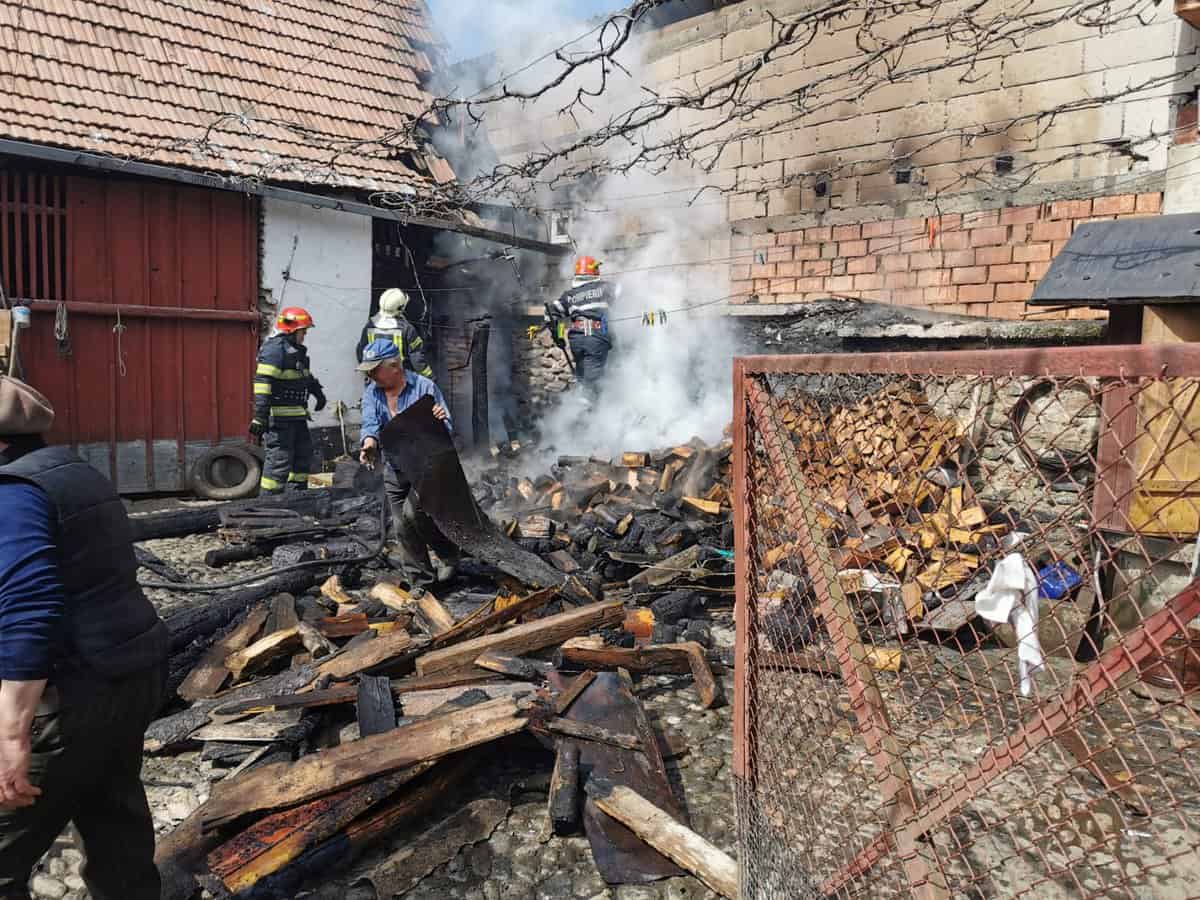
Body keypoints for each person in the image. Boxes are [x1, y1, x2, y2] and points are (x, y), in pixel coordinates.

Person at [0, 376, 168, 900]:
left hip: (70, 693)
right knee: (114, 825)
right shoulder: (71, 472)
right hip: (128, 672)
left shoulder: (12, 493)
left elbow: (30, 611)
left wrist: (11, 737)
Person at [356, 338, 458, 582]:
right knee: (401, 526)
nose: (371, 375)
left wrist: (439, 419)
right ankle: (420, 580)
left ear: (395, 366)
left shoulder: (424, 387)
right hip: (395, 467)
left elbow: (447, 427)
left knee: (414, 515)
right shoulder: (372, 393)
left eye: (375, 369)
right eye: (368, 370)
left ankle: (449, 554)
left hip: (425, 468)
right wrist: (369, 443)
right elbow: (370, 423)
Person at [249, 306, 326, 494]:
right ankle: (267, 506)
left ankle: (297, 498)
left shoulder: (295, 351)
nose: (305, 335)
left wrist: (317, 392)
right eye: (303, 332)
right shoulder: (275, 349)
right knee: (279, 463)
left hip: (297, 416)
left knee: (302, 459)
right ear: (291, 330)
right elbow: (263, 382)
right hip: (279, 419)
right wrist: (260, 416)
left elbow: (304, 376)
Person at [543, 255, 617, 399]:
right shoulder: (604, 288)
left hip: (576, 339)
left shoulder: (569, 295)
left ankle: (580, 406)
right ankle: (589, 413)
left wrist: (558, 335)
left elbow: (551, 313)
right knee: (593, 382)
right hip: (595, 337)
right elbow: (630, 295)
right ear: (594, 272)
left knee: (583, 375)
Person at [355, 288, 433, 378]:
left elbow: (361, 351)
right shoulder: (407, 329)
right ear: (400, 308)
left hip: (377, 379)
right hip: (399, 380)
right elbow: (417, 359)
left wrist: (369, 374)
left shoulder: (370, 325)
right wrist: (430, 377)